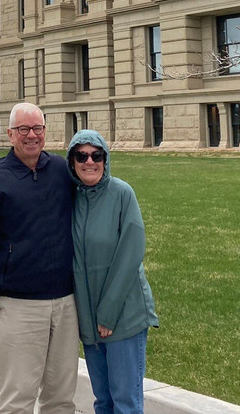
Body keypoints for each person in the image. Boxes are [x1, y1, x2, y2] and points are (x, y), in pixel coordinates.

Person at [0, 102, 78, 414]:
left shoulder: (63, 172)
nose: (32, 135)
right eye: (23, 129)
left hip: (66, 303)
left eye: (38, 128)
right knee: (16, 400)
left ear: (45, 132)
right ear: (10, 134)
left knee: (61, 398)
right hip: (20, 305)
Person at [67, 129, 158, 414]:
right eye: (81, 155)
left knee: (126, 403)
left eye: (97, 155)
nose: (89, 161)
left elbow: (130, 255)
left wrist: (107, 313)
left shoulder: (121, 193)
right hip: (90, 322)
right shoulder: (72, 200)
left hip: (123, 316)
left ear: (106, 160)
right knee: (103, 402)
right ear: (72, 162)